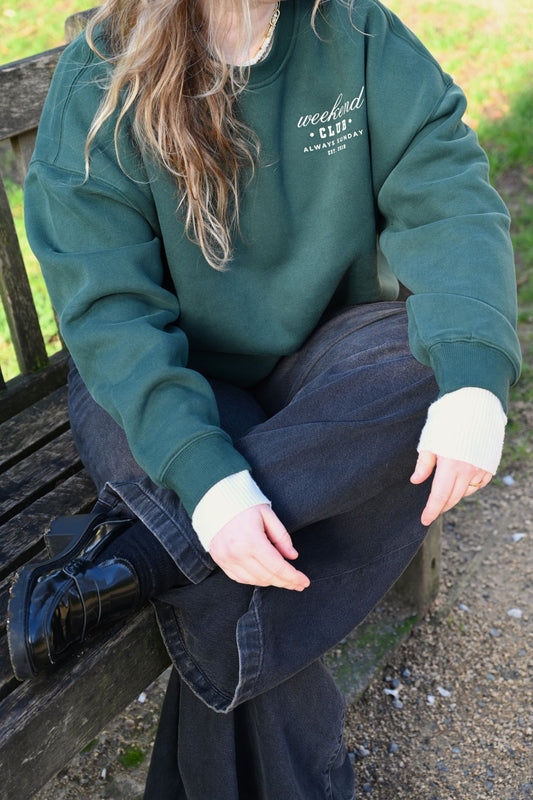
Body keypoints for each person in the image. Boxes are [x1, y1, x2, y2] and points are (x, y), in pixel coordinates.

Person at [7, 0, 521, 797]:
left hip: (323, 367)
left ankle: (139, 552)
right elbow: (111, 316)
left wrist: (474, 380)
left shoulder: (354, 32)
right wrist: (206, 479)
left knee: (428, 370)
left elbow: (447, 187)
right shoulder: (102, 73)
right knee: (260, 564)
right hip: (156, 384)